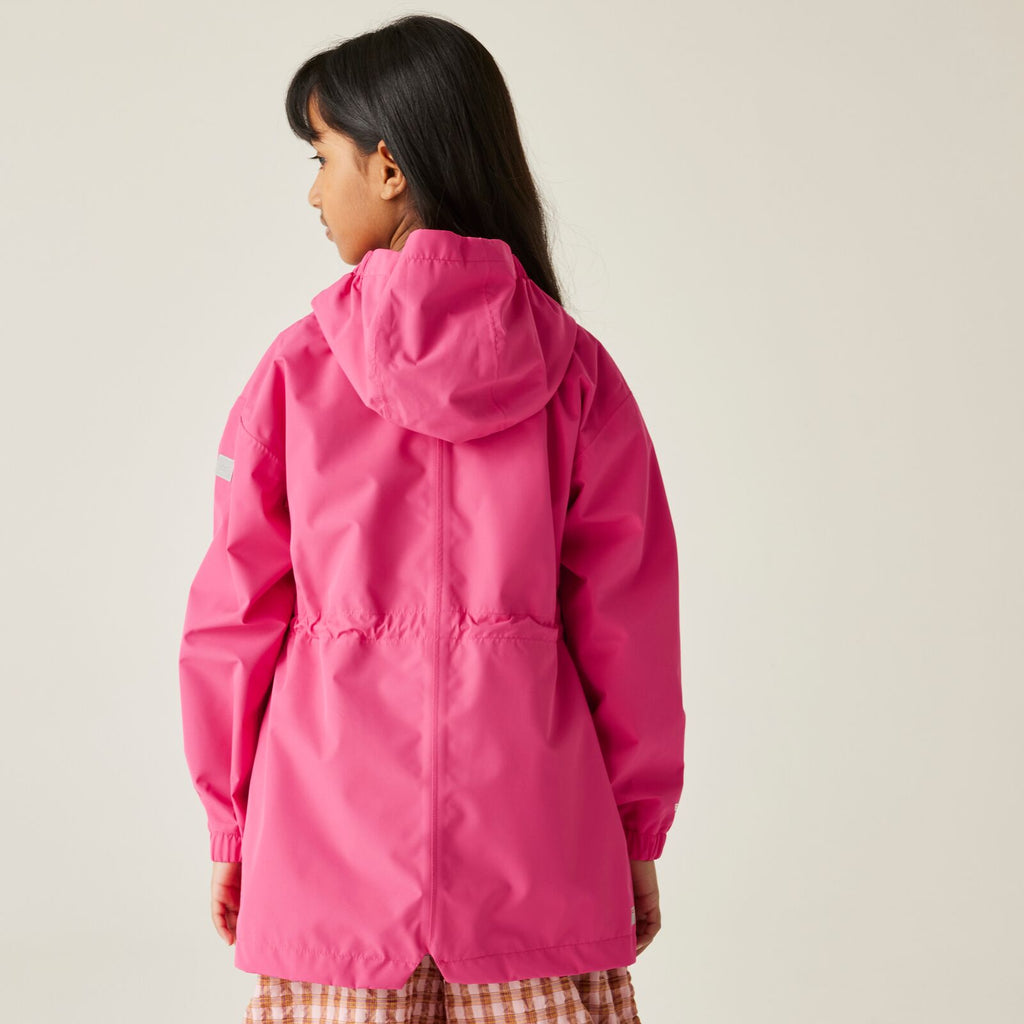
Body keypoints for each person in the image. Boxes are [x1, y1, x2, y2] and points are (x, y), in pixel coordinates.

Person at [178, 13, 686, 1024]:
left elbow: (234, 618)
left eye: (322, 157)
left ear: (388, 165)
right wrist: (634, 834)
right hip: (539, 859)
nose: (313, 191)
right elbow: (630, 631)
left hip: (327, 863)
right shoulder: (577, 374)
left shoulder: (295, 372)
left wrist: (232, 825)